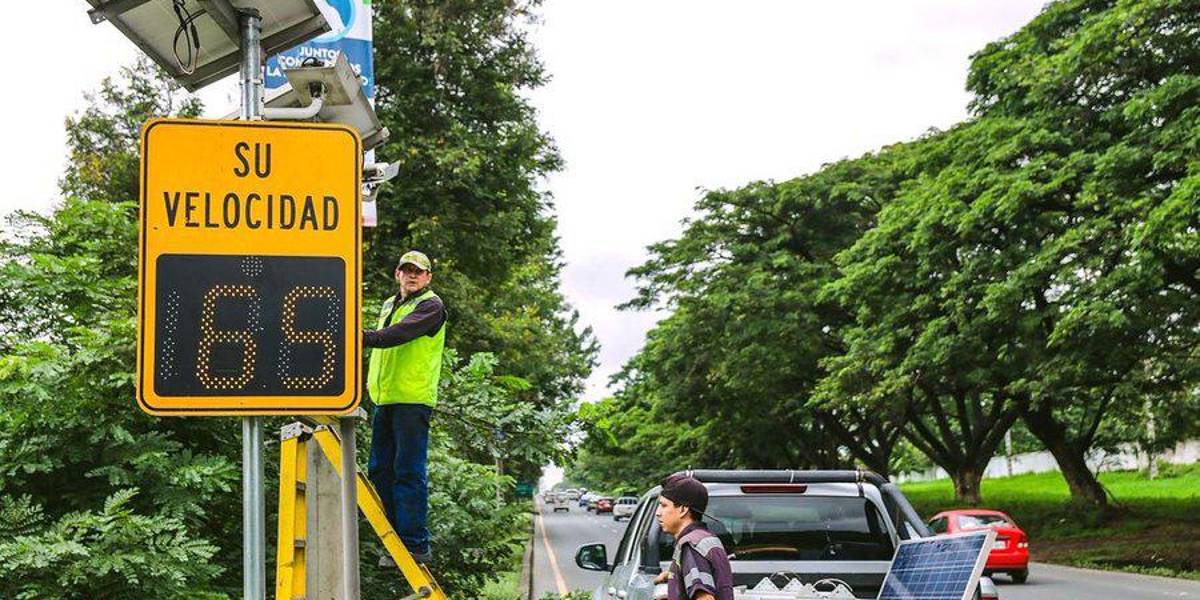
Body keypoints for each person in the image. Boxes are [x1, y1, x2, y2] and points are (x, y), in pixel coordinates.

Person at [364, 250, 447, 565]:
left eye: (419, 272)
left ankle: (415, 542)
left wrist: (364, 338)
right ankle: (395, 541)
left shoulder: (431, 306)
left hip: (412, 401)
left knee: (408, 471)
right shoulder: (389, 305)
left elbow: (399, 334)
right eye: (407, 270)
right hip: (385, 399)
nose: (412, 276)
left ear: (427, 277)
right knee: (379, 470)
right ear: (397, 274)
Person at [653, 474, 734, 600]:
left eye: (664, 505)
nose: (658, 513)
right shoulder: (705, 539)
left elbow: (704, 598)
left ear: (683, 509)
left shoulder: (691, 545)